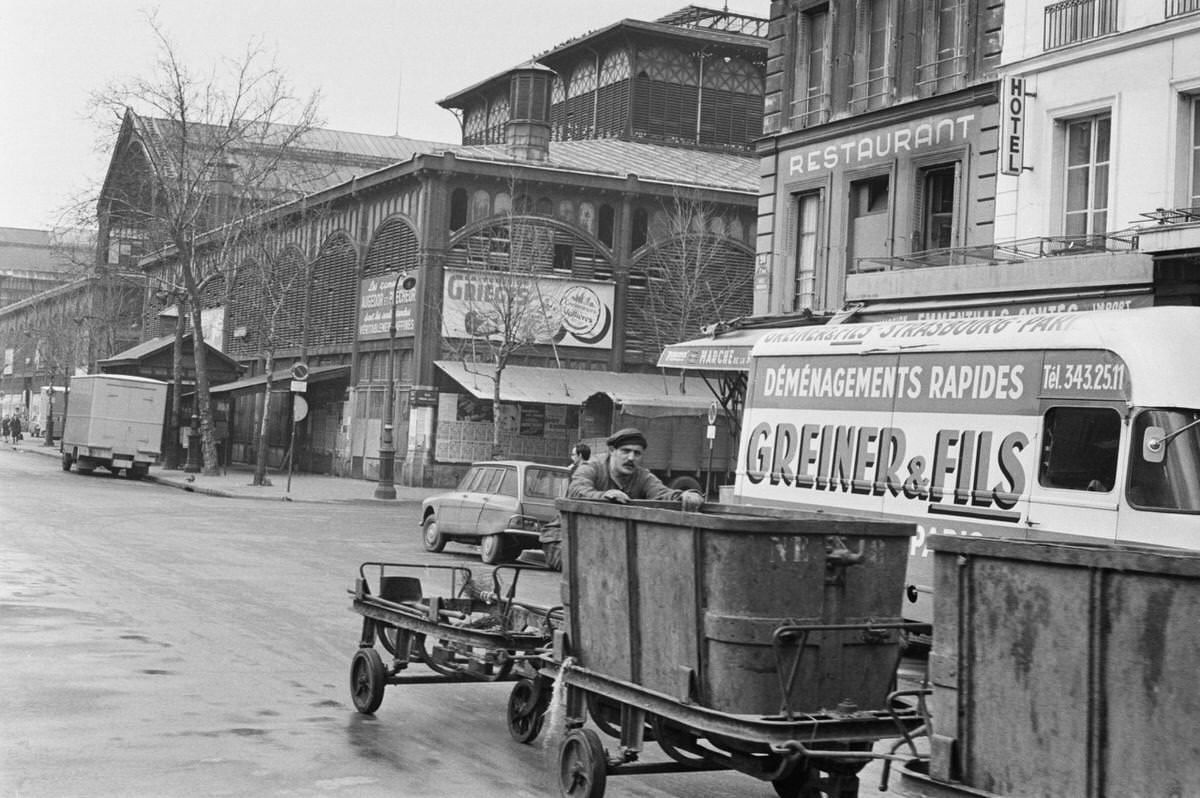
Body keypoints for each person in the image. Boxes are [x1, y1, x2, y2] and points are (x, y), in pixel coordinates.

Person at [567, 428, 704, 511]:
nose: (631, 458)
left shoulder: (642, 476)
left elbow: (661, 494)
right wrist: (604, 496)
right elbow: (576, 491)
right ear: (612, 451)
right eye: (625, 451)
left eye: (637, 453)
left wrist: (685, 496)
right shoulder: (592, 467)